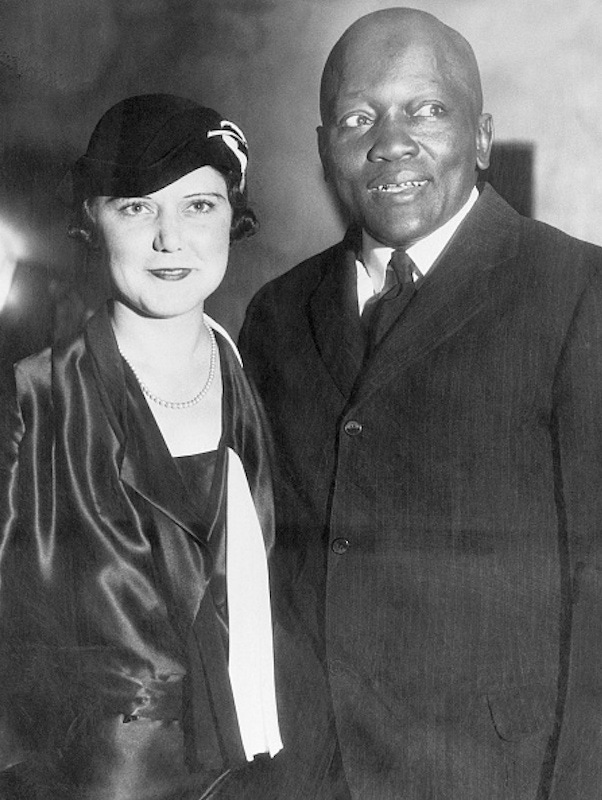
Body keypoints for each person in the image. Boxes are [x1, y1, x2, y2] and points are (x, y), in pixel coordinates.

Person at [239, 8, 602, 800]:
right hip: (310, 778)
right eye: (358, 118)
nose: (390, 142)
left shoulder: (580, 293)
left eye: (427, 110)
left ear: (480, 136)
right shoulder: (274, 314)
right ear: (323, 149)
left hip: (499, 778)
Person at [0, 93, 284, 800]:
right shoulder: (31, 400)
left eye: (199, 205)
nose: (170, 238)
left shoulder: (260, 380)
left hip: (251, 775)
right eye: (136, 206)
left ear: (233, 217)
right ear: (92, 219)